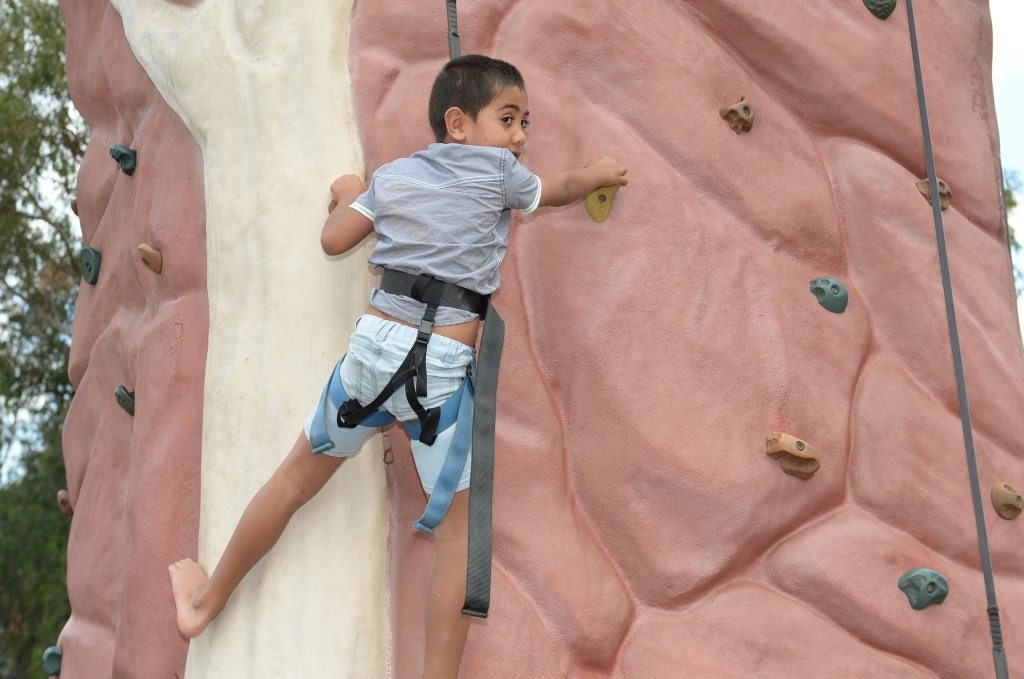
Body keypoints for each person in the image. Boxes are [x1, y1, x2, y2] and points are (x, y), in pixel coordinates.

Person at [169, 54, 627, 678]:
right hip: (439, 369)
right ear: (458, 123)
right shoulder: (501, 173)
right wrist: (598, 171)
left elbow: (334, 240)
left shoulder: (395, 177)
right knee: (457, 540)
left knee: (293, 479)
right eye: (510, 119)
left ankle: (205, 598)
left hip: (373, 354)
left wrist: (351, 192)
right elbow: (561, 191)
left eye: (526, 125)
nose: (521, 137)